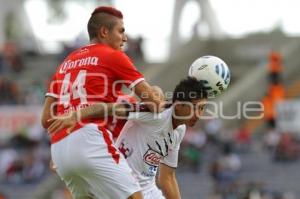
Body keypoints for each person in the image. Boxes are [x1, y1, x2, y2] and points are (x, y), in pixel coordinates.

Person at [41, 6, 164, 199]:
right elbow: (155, 105)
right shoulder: (113, 56)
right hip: (89, 138)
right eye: (121, 31)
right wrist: (156, 92)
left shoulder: (65, 63)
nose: (125, 38)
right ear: (104, 32)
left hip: (59, 150)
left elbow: (46, 120)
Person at [48, 77, 208, 199]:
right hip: (120, 185)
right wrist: (76, 116)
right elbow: (109, 109)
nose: (199, 115)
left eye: (202, 108)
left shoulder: (180, 129)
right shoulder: (155, 113)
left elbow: (167, 177)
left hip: (149, 190)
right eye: (196, 108)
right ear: (179, 105)